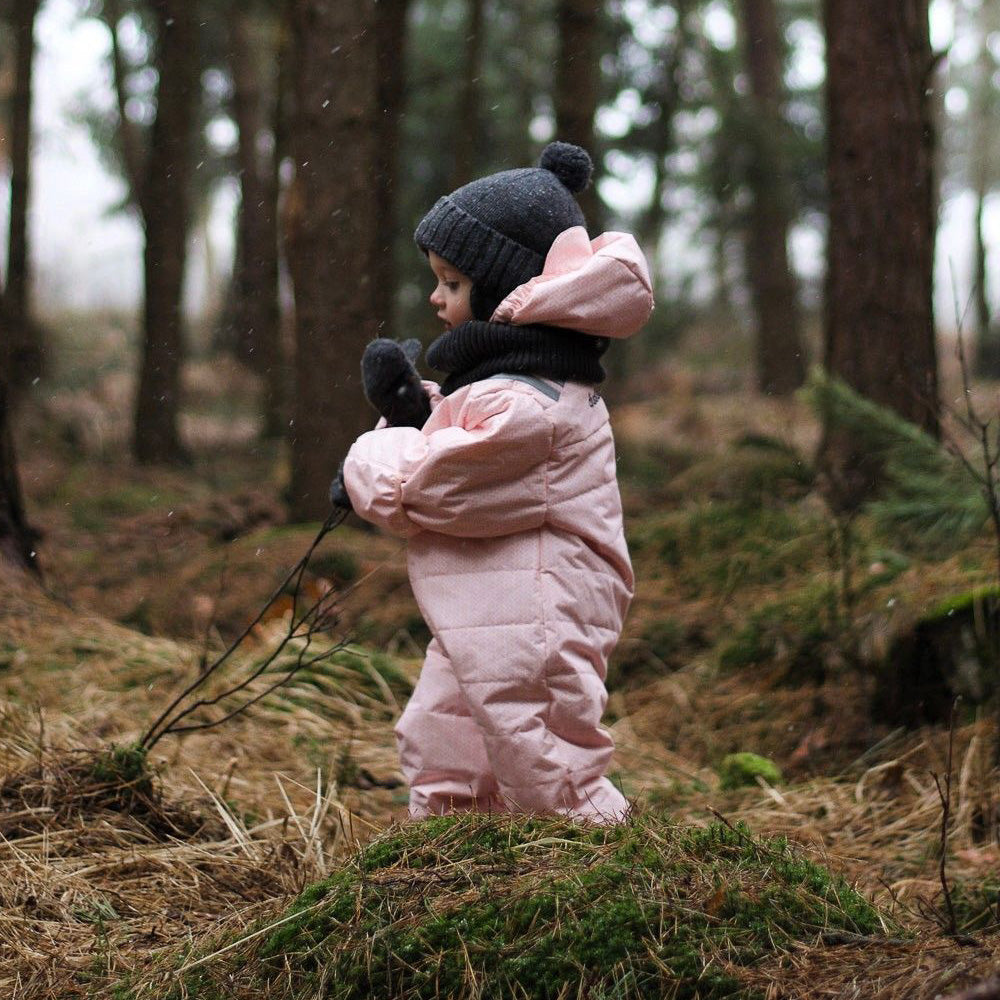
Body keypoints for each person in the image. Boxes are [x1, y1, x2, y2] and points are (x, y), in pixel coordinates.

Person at [339, 141, 653, 823]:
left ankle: (590, 859)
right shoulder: (513, 383)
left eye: (453, 283)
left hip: (541, 609)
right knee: (442, 732)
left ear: (507, 286)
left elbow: (429, 488)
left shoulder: (531, 404)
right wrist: (416, 414)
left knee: (539, 748)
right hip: (490, 606)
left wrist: (375, 451)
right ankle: (452, 857)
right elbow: (460, 440)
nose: (435, 296)